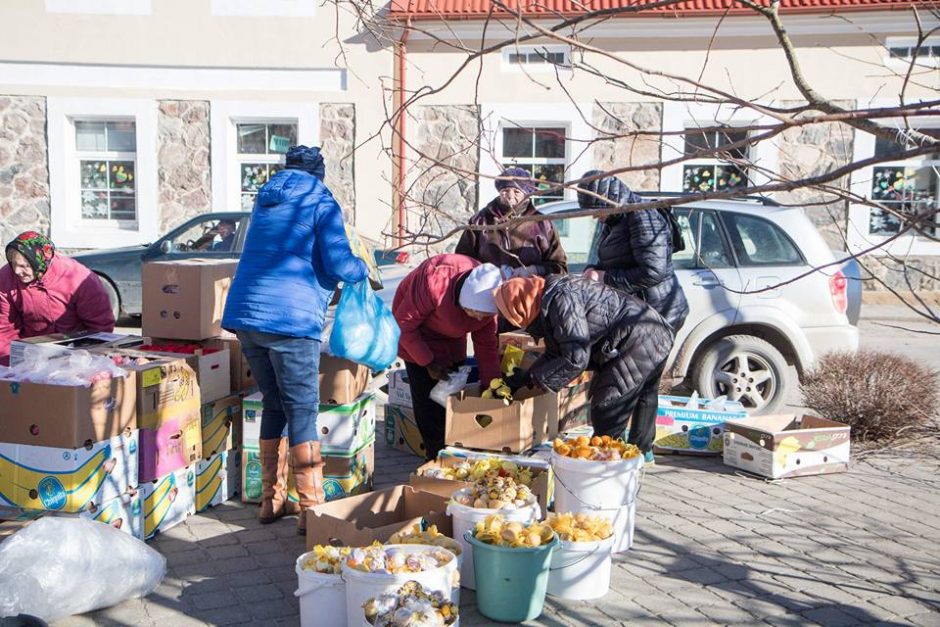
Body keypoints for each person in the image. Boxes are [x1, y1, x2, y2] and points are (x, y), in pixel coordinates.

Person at [221, 145, 369, 533]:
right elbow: (338, 261)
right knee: (302, 409)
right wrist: (361, 269)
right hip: (290, 318)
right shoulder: (322, 203)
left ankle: (271, 502)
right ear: (319, 174)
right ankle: (311, 510)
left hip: (247, 315)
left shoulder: (265, 200)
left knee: (275, 403)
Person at [495, 274, 674, 460]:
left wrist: (534, 378)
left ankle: (609, 467)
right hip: (654, 330)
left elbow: (575, 358)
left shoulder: (560, 299)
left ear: (522, 306)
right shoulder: (551, 296)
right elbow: (559, 352)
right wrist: (528, 377)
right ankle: (642, 455)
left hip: (638, 338)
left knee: (608, 409)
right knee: (645, 395)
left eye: (510, 315)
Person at [392, 254, 503, 460]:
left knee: (450, 398)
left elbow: (486, 346)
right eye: (475, 312)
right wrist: (428, 362)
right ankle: (435, 458)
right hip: (415, 335)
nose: (480, 318)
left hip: (452, 335)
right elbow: (404, 325)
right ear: (464, 302)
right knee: (428, 401)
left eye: (484, 316)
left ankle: (454, 451)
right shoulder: (435, 280)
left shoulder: (488, 302)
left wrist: (492, 385)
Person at [577, 171, 689, 331]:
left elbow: (653, 272)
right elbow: (618, 258)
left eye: (595, 210)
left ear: (607, 200)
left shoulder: (642, 216)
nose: (594, 217)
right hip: (638, 309)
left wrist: (605, 278)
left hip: (657, 313)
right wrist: (594, 269)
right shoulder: (615, 219)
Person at [0, 231, 115, 365]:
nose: (17, 271)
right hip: (32, 355)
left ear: (41, 261)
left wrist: (86, 360)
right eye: (13, 264)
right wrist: (14, 364)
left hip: (77, 354)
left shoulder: (78, 278)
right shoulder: (5, 278)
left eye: (24, 266)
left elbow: (100, 327)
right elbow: (4, 329)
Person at [455, 167, 568, 279]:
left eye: (516, 191)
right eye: (505, 191)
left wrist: (533, 270)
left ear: (526, 194)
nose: (510, 196)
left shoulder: (542, 224)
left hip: (529, 293)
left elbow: (559, 268)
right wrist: (485, 274)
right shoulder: (480, 221)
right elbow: (462, 261)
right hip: (487, 292)